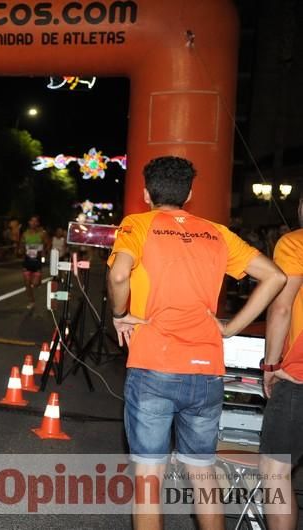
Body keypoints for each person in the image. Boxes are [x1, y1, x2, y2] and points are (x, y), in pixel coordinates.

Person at [107, 156, 285, 530]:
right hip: (206, 370)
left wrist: (120, 312)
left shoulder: (137, 224)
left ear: (145, 192)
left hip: (154, 363)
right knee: (202, 471)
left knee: (148, 479)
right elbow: (274, 277)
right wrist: (232, 327)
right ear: (189, 193)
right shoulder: (216, 231)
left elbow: (120, 273)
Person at [259, 197, 303, 530]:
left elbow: (282, 309)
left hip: (298, 375)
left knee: (276, 473)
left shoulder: (294, 242)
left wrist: (271, 366)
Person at [19, 214, 48, 309]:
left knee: (35, 284)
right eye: (32, 221)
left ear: (38, 223)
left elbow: (47, 244)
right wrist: (21, 250)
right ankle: (31, 301)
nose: (33, 223)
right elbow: (22, 246)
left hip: (37, 262)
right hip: (27, 262)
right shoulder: (25, 234)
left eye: (35, 221)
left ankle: (38, 282)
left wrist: (43, 253)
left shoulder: (42, 234)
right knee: (27, 284)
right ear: (29, 222)